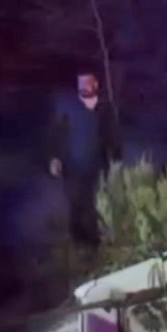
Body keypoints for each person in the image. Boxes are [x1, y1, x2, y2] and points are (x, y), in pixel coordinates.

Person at [47, 71, 121, 245]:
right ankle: (78, 243)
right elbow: (55, 134)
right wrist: (53, 158)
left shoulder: (105, 107)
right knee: (76, 204)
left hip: (98, 166)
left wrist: (117, 158)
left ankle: (95, 243)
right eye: (80, 82)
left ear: (95, 84)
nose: (83, 86)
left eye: (87, 82)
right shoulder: (68, 107)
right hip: (72, 166)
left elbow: (113, 134)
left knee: (95, 205)